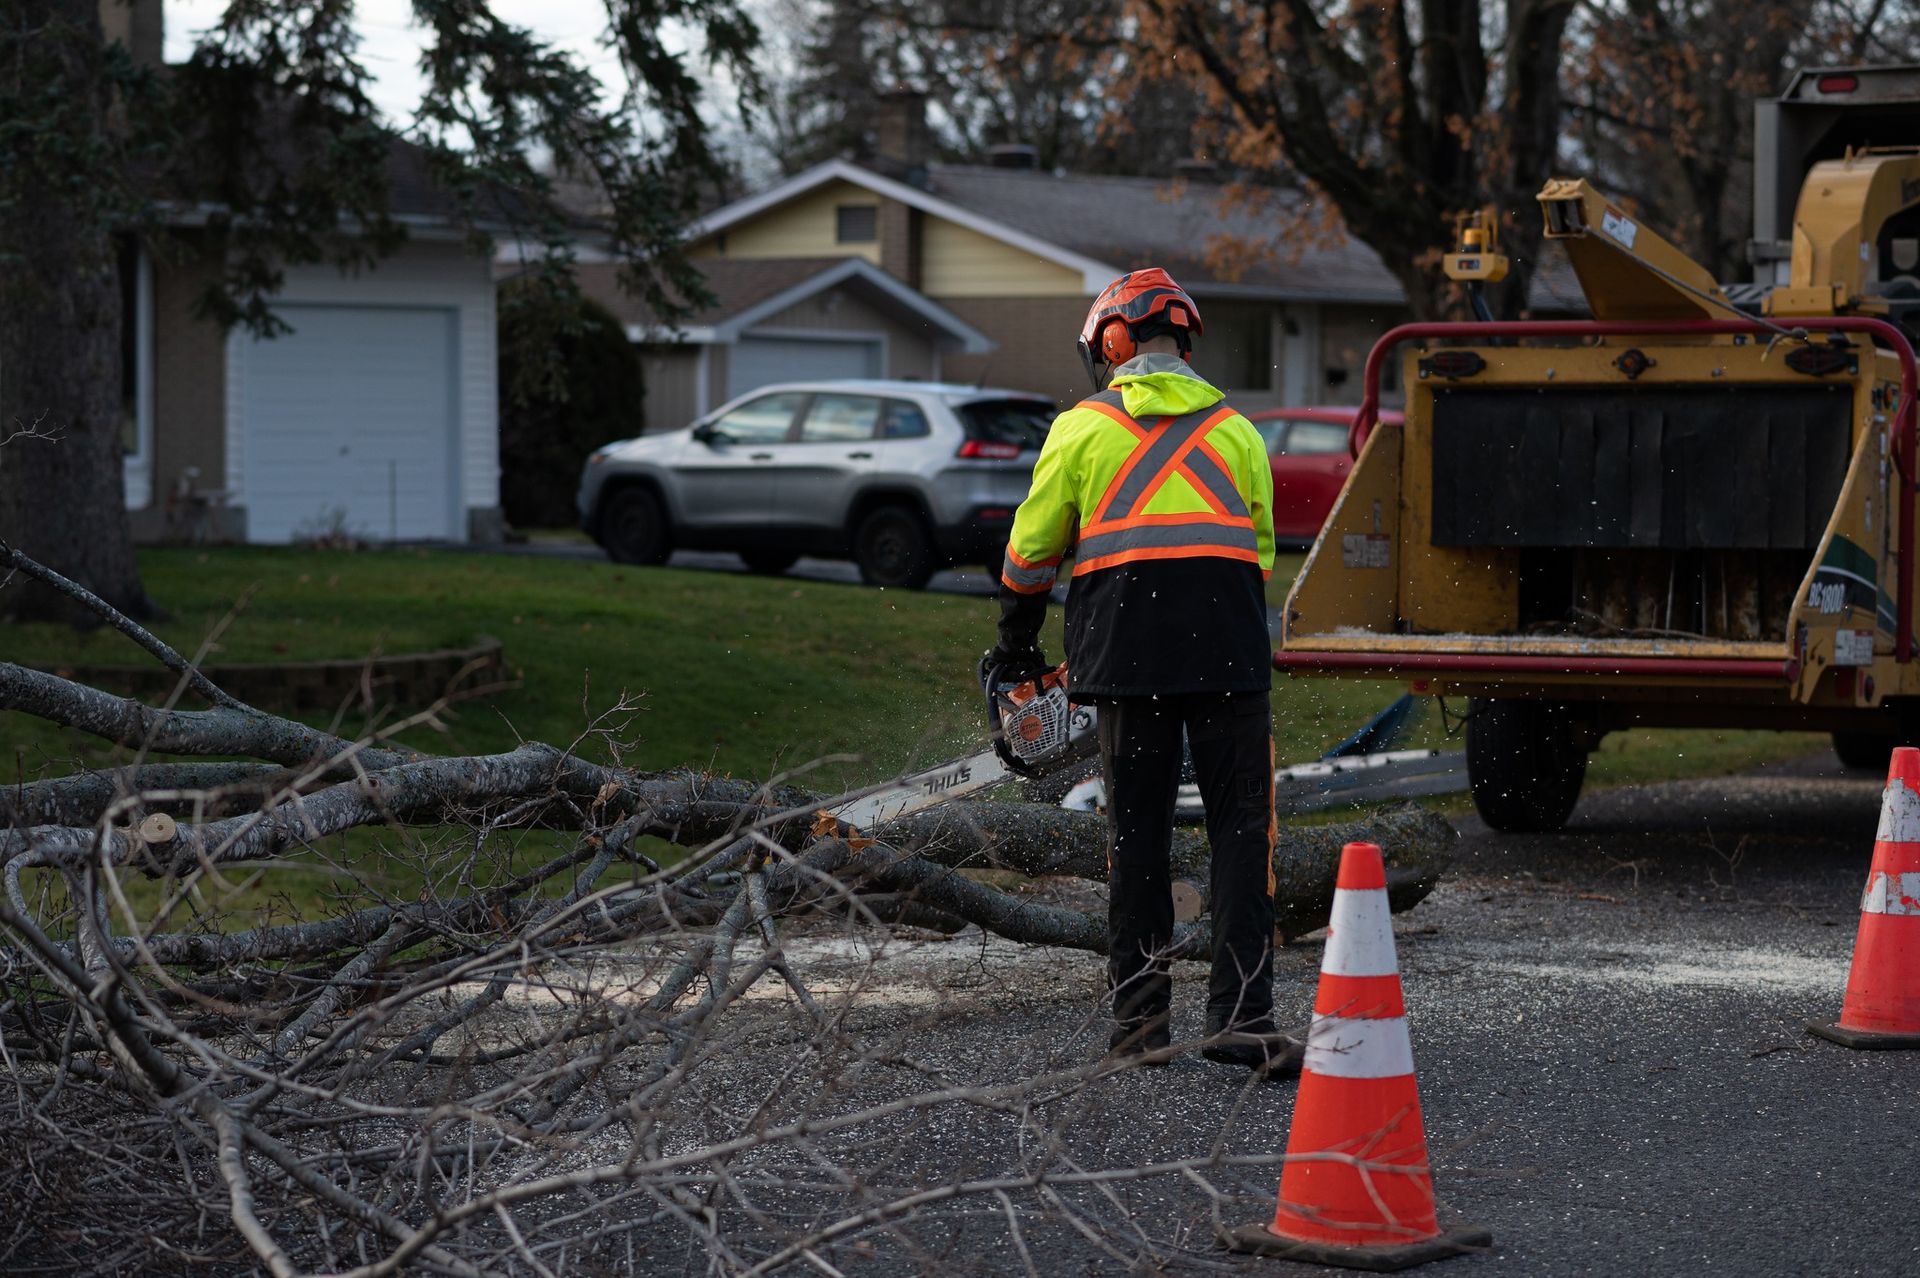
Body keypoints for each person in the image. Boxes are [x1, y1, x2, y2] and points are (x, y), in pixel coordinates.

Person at [986, 267, 1300, 1074]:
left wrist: (1016, 646)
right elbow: (1257, 553)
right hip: (1229, 647)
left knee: (1137, 837)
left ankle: (1139, 1028)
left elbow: (1030, 554)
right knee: (1240, 832)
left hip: (1125, 657)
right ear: (1181, 341)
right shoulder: (1237, 432)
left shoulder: (1082, 429)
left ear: (1113, 342)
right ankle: (1243, 1017)